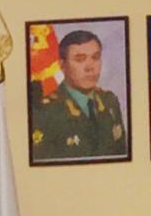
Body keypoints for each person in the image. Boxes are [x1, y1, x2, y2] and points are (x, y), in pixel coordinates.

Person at [31, 29, 128, 161]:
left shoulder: (109, 101)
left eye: (95, 57)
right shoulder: (45, 111)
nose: (90, 67)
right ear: (62, 65)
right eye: (80, 60)